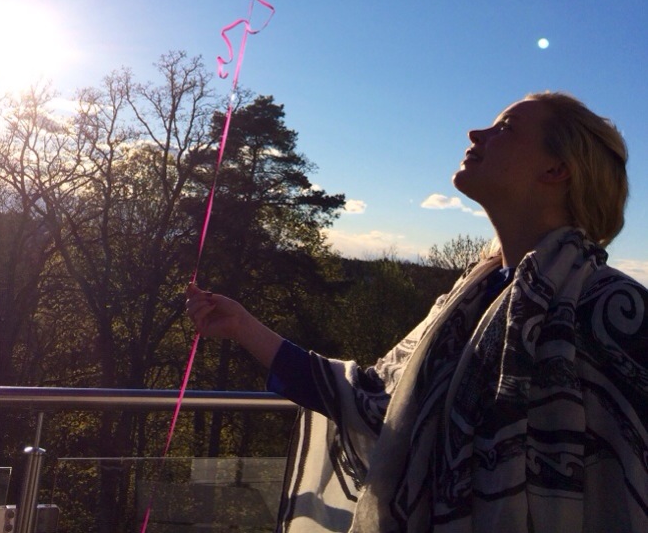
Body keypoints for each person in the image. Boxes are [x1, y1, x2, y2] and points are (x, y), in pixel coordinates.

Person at [186, 91, 648, 532]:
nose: (475, 133)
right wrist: (243, 327)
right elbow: (375, 403)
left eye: (505, 128)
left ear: (556, 169)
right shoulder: (465, 304)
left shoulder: (615, 311)